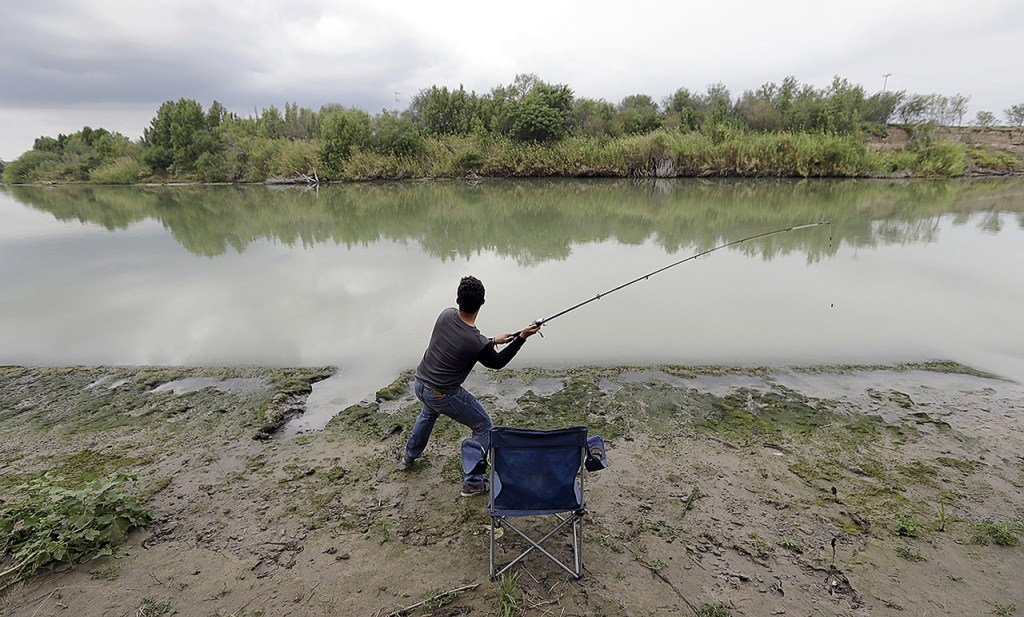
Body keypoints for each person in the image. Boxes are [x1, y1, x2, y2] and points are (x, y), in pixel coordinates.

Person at [397, 275, 542, 496]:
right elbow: (497, 363)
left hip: (420, 384)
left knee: (428, 413)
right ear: (482, 303)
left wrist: (492, 340)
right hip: (442, 393)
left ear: (457, 299)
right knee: (484, 425)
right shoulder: (476, 341)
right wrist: (521, 337)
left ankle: (409, 456)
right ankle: (473, 482)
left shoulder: (445, 315)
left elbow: (465, 338)